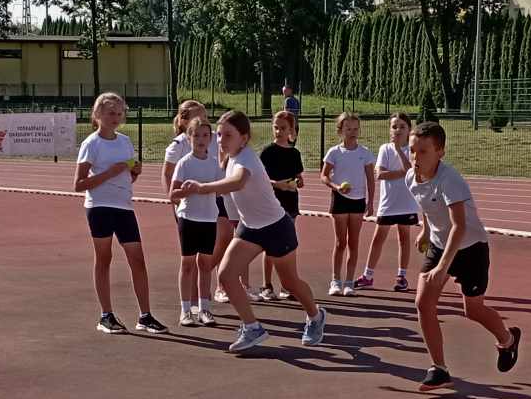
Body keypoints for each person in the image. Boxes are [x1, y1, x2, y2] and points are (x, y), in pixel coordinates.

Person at [169, 110, 325, 354]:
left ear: (244, 138)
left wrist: (201, 188)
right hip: (250, 228)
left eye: (228, 135)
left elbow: (238, 182)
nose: (221, 140)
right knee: (226, 275)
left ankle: (315, 316)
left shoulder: (246, 159)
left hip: (276, 227)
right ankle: (252, 327)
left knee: (289, 282)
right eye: (219, 135)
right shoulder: (228, 158)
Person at [406, 122, 519, 391]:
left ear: (440, 152)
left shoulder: (450, 180)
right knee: (423, 303)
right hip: (438, 245)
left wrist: (443, 266)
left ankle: (508, 340)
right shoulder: (411, 178)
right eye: (412, 150)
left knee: (473, 311)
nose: (416, 157)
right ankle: (439, 368)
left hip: (470, 248)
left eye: (423, 151)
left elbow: (459, 226)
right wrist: (425, 230)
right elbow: (427, 205)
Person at [74, 92, 166, 335]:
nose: (115, 117)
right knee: (104, 258)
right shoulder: (91, 144)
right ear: (97, 115)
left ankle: (145, 316)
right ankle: (106, 315)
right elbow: (79, 184)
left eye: (119, 113)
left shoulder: (125, 142)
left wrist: (134, 172)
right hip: (99, 207)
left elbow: (127, 176)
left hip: (124, 207)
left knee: (138, 259)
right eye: (110, 113)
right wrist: (110, 173)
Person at [169, 114, 226, 326]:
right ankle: (185, 311)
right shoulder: (184, 163)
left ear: (210, 138)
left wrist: (210, 188)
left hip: (209, 218)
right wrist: (187, 191)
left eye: (205, 135)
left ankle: (204, 309)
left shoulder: (214, 164)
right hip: (188, 218)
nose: (201, 140)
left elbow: (221, 188)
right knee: (187, 264)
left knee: (205, 264)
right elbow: (173, 194)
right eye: (196, 136)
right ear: (189, 138)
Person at [321, 111, 375, 296]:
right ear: (340, 131)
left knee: (354, 242)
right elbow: (324, 176)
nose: (352, 132)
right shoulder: (334, 152)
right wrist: (336, 187)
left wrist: (371, 202)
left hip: (358, 201)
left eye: (355, 129)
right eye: (348, 129)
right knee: (340, 242)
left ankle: (349, 282)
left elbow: (370, 179)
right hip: (340, 200)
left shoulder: (365, 153)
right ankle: (335, 281)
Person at [363, 111, 418, 292]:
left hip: (407, 203)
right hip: (388, 203)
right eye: (394, 126)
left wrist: (399, 151)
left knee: (404, 238)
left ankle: (401, 277)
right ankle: (368, 276)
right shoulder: (385, 149)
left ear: (409, 129)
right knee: (378, 238)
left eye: (402, 127)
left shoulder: (412, 150)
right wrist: (402, 172)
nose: (398, 130)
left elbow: (411, 171)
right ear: (390, 130)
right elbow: (380, 174)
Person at [256, 109, 304, 303]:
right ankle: (267, 285)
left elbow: (299, 177)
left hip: (290, 203)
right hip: (272, 203)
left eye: (283, 128)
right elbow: (259, 179)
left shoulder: (294, 153)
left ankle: (287, 285)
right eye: (276, 127)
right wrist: (277, 184)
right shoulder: (267, 152)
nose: (279, 131)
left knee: (288, 246)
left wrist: (298, 182)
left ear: (291, 130)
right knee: (270, 246)